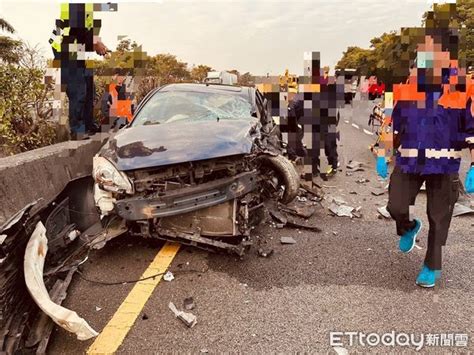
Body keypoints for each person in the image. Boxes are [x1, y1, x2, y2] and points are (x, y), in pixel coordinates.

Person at [376, 32, 474, 288]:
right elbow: (393, 125)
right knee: (395, 205)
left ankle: (431, 265)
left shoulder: (463, 87)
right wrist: (383, 154)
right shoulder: (409, 86)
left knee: (439, 217)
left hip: (444, 165)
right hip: (409, 161)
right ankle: (408, 227)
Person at [50, 3, 115, 138]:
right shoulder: (76, 6)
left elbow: (87, 36)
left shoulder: (89, 10)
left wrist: (98, 47)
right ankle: (77, 130)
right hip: (66, 51)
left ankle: (88, 124)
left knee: (90, 87)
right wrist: (96, 44)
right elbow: (76, 32)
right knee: (78, 90)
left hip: (77, 52)